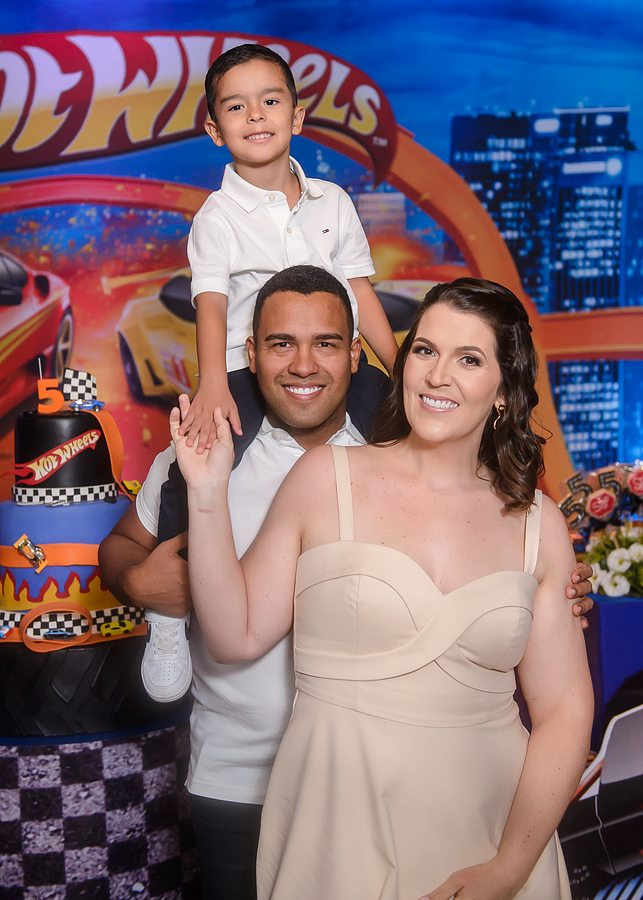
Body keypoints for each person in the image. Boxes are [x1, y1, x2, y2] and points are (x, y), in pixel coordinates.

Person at [171, 276, 595, 900]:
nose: (437, 376)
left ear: (504, 392)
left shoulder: (540, 525)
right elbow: (234, 636)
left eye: (469, 359)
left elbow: (564, 713)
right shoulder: (326, 477)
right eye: (425, 350)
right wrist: (206, 494)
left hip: (492, 833)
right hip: (338, 823)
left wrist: (508, 868)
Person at [140, 42, 399, 698]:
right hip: (243, 366)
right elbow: (210, 303)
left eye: (270, 100)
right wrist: (212, 385)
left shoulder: (333, 203)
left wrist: (400, 368)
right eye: (236, 106)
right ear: (214, 129)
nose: (255, 115)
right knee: (196, 465)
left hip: (333, 365)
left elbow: (360, 291)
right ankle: (167, 617)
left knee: (407, 432)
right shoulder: (217, 217)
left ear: (297, 116)